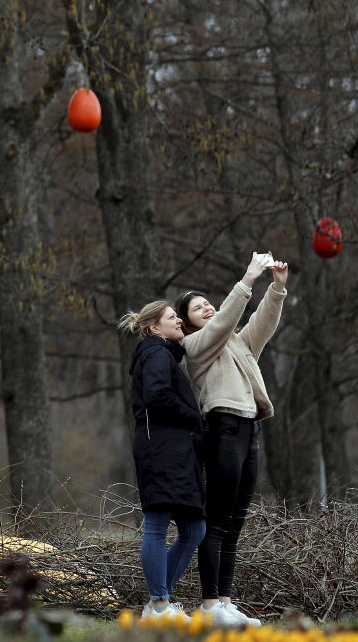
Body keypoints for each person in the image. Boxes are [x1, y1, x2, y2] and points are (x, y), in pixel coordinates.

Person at [174, 252, 288, 629]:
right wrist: (248, 278)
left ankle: (224, 602)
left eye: (207, 303)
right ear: (187, 324)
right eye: (197, 309)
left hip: (250, 428)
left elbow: (260, 325)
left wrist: (276, 288)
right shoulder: (196, 347)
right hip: (222, 429)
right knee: (217, 520)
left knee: (235, 522)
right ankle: (209, 606)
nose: (206, 308)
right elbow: (226, 320)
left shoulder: (237, 344)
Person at [121, 300, 208, 620]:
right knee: (156, 527)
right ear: (154, 328)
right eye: (173, 317)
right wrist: (194, 418)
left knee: (195, 529)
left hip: (175, 453)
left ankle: (159, 601)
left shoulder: (163, 354)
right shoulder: (156, 352)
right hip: (160, 450)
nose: (180, 321)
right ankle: (159, 603)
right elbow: (157, 396)